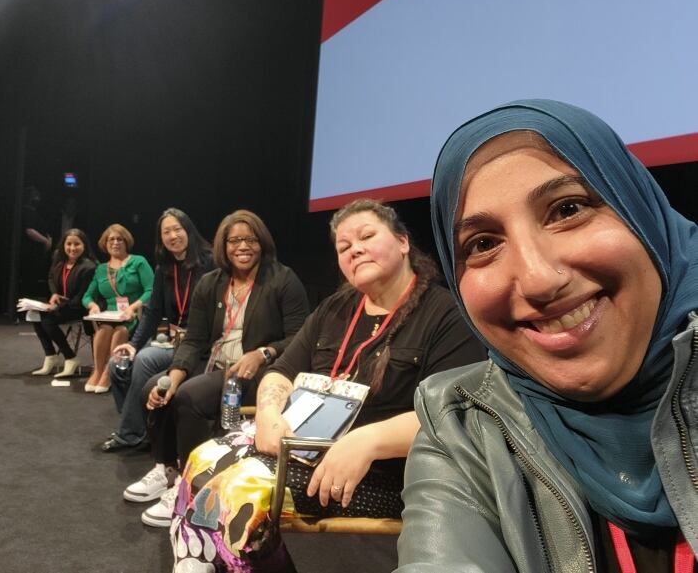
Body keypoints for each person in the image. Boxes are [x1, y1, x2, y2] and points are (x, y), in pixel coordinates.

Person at [397, 100, 698, 572]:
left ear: (642, 212)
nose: (538, 279)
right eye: (482, 244)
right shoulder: (464, 427)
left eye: (568, 208)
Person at [166, 199, 485, 571]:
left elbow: (454, 414)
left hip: (381, 472)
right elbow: (281, 371)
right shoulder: (336, 308)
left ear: (402, 242)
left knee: (239, 492)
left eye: (367, 236)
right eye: (344, 247)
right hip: (304, 447)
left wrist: (367, 441)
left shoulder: (445, 314)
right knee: (200, 462)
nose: (356, 249)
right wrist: (269, 412)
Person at [123, 209, 310, 523]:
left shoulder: (283, 279)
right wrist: (173, 377)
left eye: (250, 239)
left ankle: (196, 487)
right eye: (234, 240)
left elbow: (301, 337)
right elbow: (194, 340)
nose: (242, 246)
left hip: (258, 373)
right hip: (213, 364)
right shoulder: (212, 282)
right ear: (223, 246)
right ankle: (166, 469)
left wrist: (263, 352)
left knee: (190, 397)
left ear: (262, 243)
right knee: (153, 389)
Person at [101, 209, 214, 451]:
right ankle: (143, 427)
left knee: (144, 360)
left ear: (189, 230)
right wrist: (132, 344)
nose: (173, 235)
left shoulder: (210, 263)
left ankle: (130, 434)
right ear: (160, 238)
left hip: (199, 346)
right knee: (119, 364)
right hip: (173, 341)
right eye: (166, 232)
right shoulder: (165, 268)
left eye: (177, 229)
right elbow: (152, 312)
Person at [82, 224, 154, 394]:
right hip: (110, 315)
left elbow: (151, 290)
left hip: (135, 313)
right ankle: (98, 371)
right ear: (105, 244)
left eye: (119, 239)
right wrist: (92, 305)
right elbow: (87, 296)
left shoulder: (138, 262)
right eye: (111, 239)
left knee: (120, 331)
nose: (115, 242)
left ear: (126, 242)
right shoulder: (100, 269)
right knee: (104, 329)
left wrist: (134, 307)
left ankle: (109, 372)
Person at [31, 228, 97, 377]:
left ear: (84, 245)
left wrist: (56, 306)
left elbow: (82, 297)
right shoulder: (59, 258)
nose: (72, 248)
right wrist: (54, 293)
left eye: (77, 244)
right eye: (69, 244)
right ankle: (51, 356)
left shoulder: (89, 267)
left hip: (79, 306)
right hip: (62, 304)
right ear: (63, 245)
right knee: (34, 313)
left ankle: (70, 357)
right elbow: (50, 278)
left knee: (47, 318)